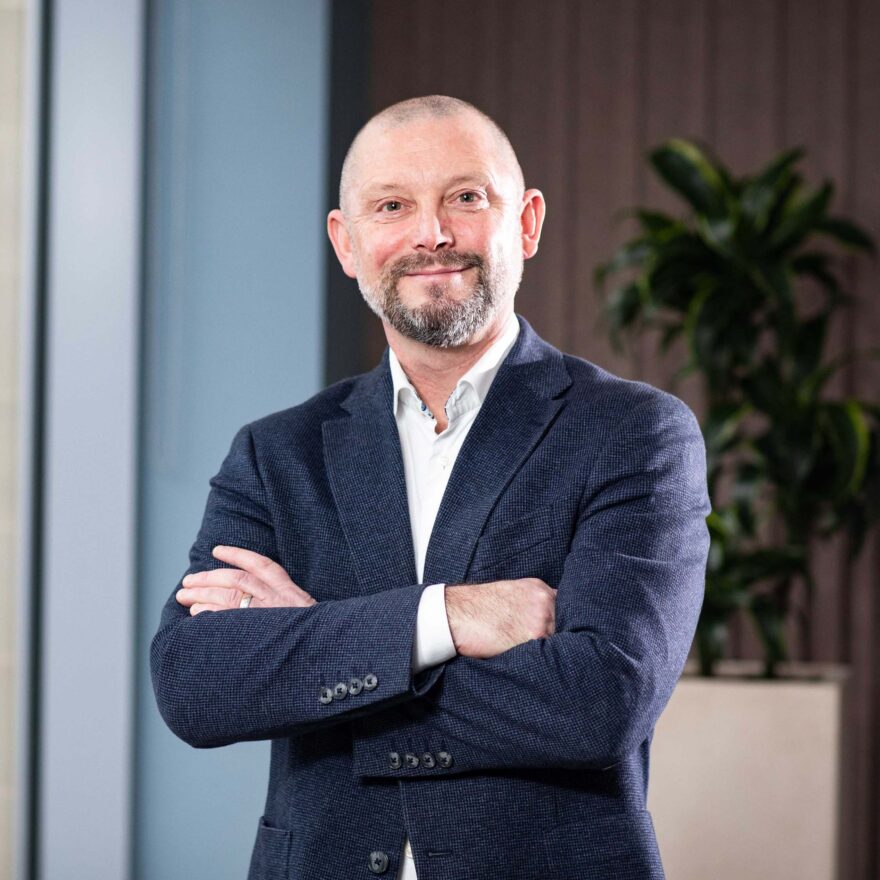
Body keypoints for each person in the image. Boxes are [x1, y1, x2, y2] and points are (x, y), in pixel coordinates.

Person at [151, 94, 711, 880]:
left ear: (527, 223)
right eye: (392, 206)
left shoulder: (633, 433)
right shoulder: (277, 454)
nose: (431, 234)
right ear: (346, 243)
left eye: (466, 197)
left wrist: (319, 650)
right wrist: (446, 616)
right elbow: (195, 685)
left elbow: (598, 703)